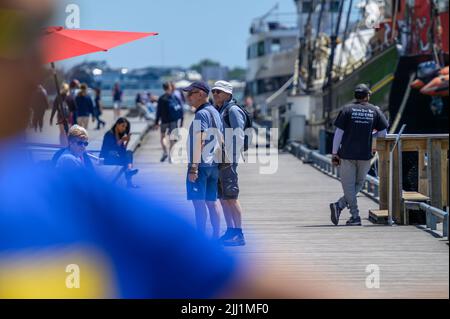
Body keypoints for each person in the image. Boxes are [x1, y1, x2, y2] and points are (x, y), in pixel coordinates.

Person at [330, 84, 389, 226]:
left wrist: (334, 153)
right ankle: (349, 212)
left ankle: (345, 210)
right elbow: (383, 134)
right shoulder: (375, 110)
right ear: (367, 96)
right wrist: (370, 134)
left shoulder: (346, 110)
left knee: (348, 185)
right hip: (365, 154)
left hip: (347, 154)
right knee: (359, 183)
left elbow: (339, 133)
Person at [184, 81, 222, 239]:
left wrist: (194, 167)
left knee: (198, 204)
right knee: (212, 202)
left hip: (201, 165)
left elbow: (200, 139)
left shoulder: (201, 114)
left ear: (201, 94)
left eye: (190, 94)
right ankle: (215, 236)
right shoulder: (214, 111)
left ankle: (200, 239)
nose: (187, 97)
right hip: (214, 164)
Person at [212, 81, 247, 246]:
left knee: (231, 196)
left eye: (219, 92)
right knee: (223, 197)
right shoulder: (220, 110)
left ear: (228, 94)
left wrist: (230, 157)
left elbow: (239, 135)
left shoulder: (232, 110)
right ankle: (230, 230)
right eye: (214, 92)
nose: (215, 94)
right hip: (219, 159)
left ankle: (239, 233)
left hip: (228, 160)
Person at [100, 117, 139, 188]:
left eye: (125, 127)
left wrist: (127, 141)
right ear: (117, 125)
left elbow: (123, 151)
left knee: (129, 152)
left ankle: (129, 170)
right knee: (125, 161)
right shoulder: (109, 134)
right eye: (122, 126)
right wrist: (122, 140)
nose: (124, 129)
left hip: (115, 156)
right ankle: (129, 179)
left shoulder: (120, 135)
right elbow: (112, 148)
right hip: (107, 157)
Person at [155, 82, 179, 163]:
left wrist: (156, 122)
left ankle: (165, 151)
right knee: (172, 139)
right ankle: (170, 156)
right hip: (173, 120)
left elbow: (158, 111)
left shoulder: (161, 98)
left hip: (164, 121)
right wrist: (181, 120)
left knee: (162, 137)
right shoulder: (174, 97)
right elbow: (180, 109)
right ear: (170, 87)